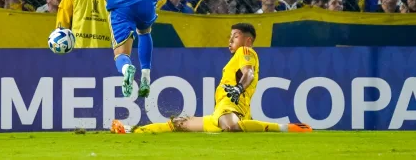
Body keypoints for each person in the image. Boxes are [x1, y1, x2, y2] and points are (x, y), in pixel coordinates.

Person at [111, 23, 312, 134]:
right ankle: (130, 130)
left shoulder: (245, 51)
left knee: (230, 125)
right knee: (178, 124)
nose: (230, 40)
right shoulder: (237, 57)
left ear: (248, 40)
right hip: (220, 112)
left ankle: (287, 128)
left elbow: (249, 73)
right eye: (230, 36)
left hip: (231, 109)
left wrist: (240, 89)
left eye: (235, 36)